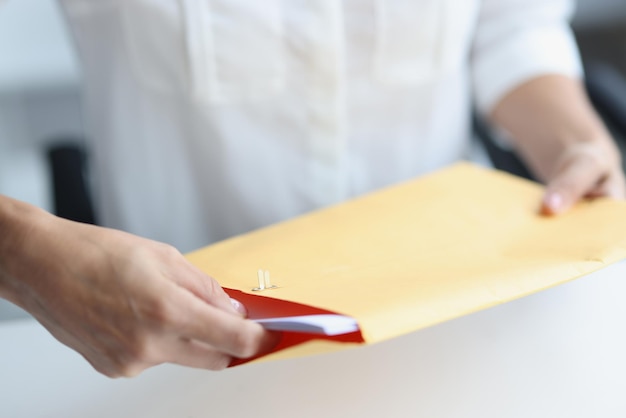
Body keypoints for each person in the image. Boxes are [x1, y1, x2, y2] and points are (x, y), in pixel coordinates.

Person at [0, 0, 624, 377]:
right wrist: (22, 254)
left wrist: (573, 140)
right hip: (172, 340)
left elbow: (510, 28)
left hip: (450, 326)